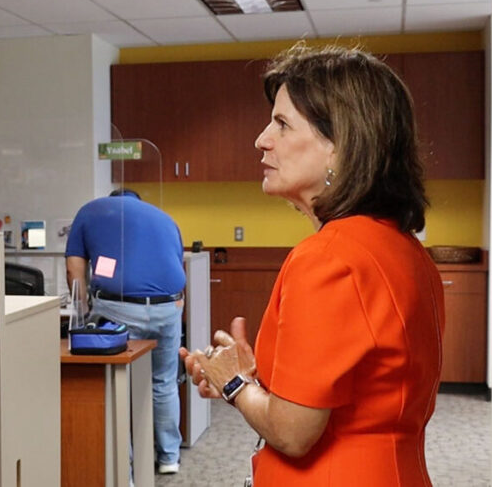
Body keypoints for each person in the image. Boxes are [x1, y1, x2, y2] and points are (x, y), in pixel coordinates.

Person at [181, 44, 443, 486]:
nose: (262, 139)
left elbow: (294, 432)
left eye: (282, 124)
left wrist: (234, 384)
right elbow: (363, 387)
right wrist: (255, 377)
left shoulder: (326, 258)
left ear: (340, 146)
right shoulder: (404, 249)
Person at [66, 188, 187, 474]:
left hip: (119, 308)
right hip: (168, 308)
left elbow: (74, 271)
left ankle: (126, 469)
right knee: (164, 382)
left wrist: (82, 312)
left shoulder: (90, 211)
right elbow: (174, 264)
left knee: (119, 385)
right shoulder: (164, 218)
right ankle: (169, 457)